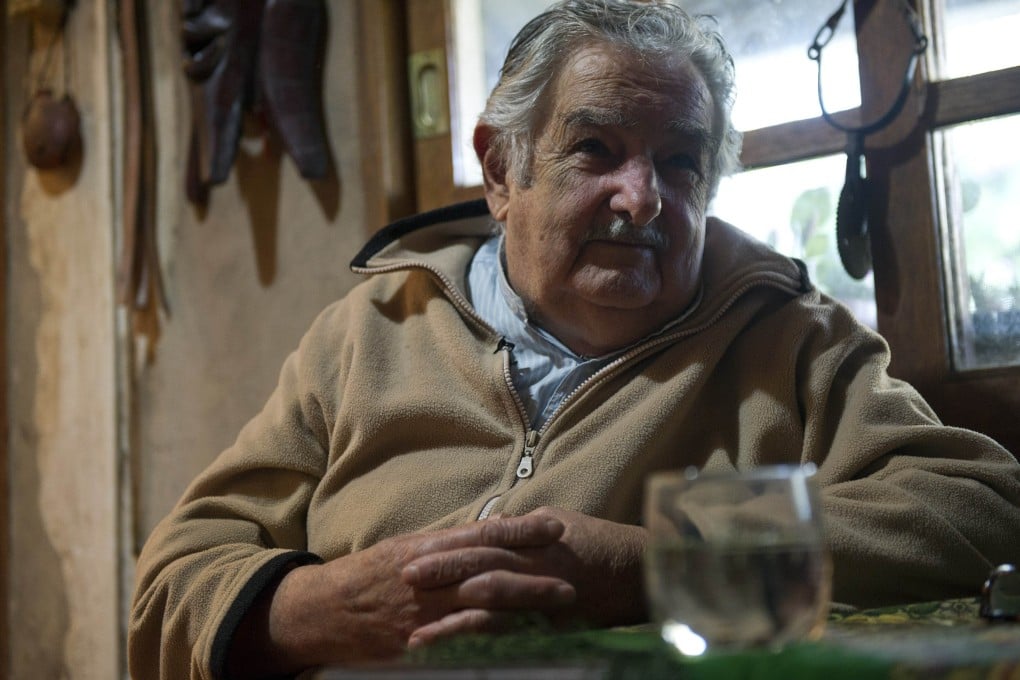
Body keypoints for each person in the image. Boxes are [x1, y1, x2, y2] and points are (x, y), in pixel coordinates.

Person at [129, 1, 1020, 678]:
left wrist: (658, 566)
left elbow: (982, 509)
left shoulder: (789, 338)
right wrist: (326, 607)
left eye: (680, 162)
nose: (643, 197)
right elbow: (175, 578)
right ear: (500, 169)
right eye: (595, 148)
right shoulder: (370, 330)